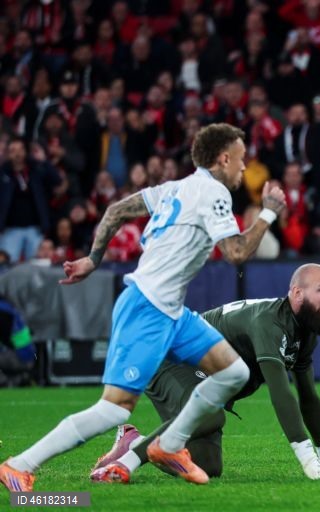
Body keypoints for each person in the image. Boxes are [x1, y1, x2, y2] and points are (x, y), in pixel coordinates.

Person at [0, 123, 287, 492]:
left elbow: (118, 210)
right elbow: (235, 253)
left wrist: (92, 259)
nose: (244, 168)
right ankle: (19, 465)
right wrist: (268, 214)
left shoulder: (174, 189)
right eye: (242, 159)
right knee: (114, 409)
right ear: (224, 157)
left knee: (233, 373)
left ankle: (168, 445)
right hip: (148, 308)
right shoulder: (215, 192)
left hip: (172, 312)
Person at [91, 264, 320, 483]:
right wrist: (308, 461)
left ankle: (134, 441)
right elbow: (281, 393)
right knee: (211, 414)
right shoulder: (270, 322)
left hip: (204, 376)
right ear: (297, 293)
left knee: (206, 468)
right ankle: (125, 463)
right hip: (170, 360)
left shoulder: (304, 330)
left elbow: (308, 396)